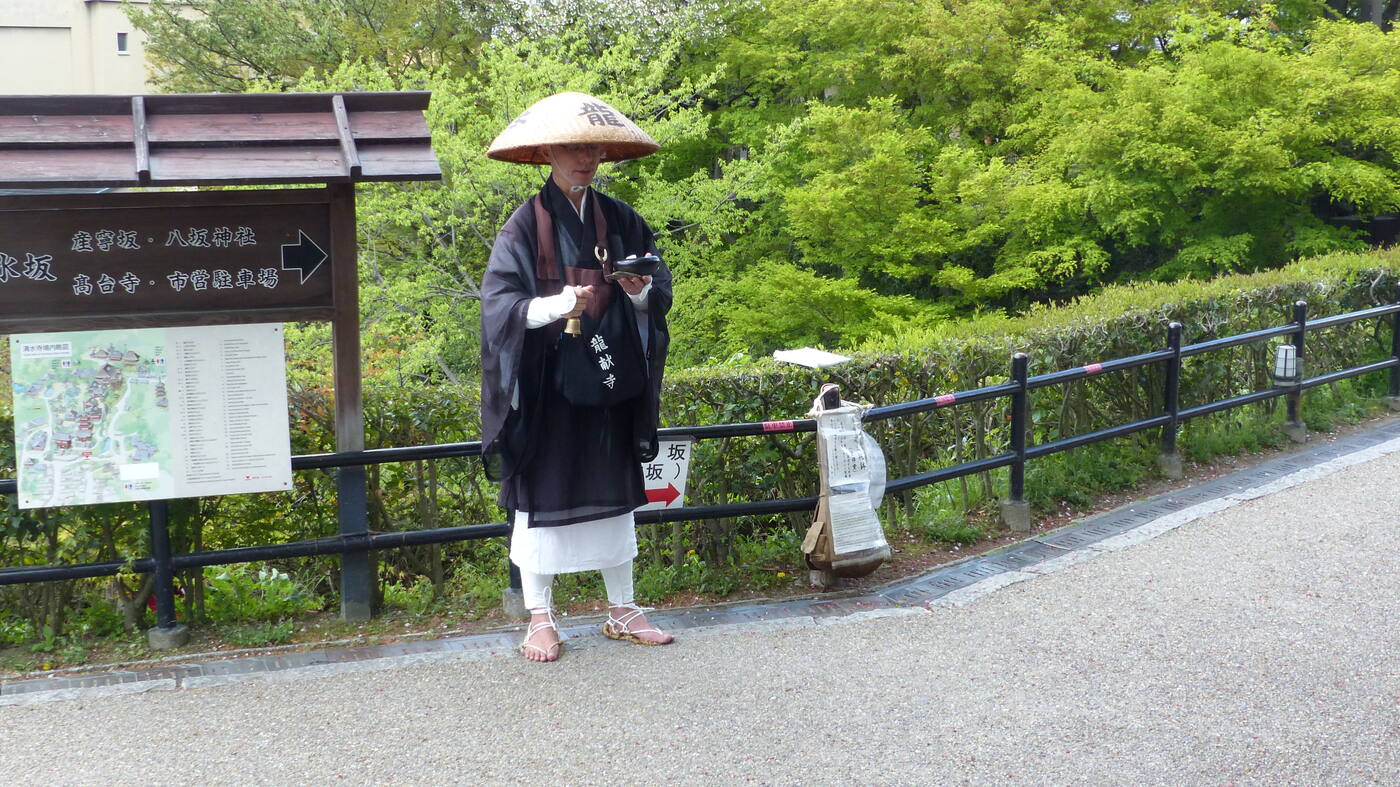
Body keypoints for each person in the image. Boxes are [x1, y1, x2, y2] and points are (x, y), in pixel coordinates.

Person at [479, 92, 674, 662]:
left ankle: (623, 608)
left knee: (615, 494)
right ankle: (540, 617)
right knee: (541, 498)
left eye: (592, 148)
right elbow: (498, 306)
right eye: (571, 148)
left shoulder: (622, 219)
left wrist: (639, 293)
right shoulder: (524, 224)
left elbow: (658, 288)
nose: (584, 158)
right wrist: (555, 305)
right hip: (548, 386)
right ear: (546, 153)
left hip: (608, 380)